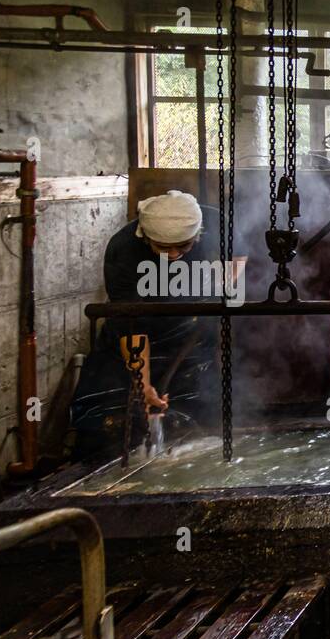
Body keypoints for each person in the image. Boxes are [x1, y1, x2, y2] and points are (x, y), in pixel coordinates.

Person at [71, 190, 224, 459]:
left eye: (184, 246)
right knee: (111, 411)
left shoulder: (218, 225)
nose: (174, 254)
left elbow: (234, 268)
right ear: (146, 237)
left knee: (200, 404)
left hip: (189, 327)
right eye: (163, 248)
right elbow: (131, 323)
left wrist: (219, 297)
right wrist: (143, 385)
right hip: (140, 328)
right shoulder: (123, 249)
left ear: (198, 235)